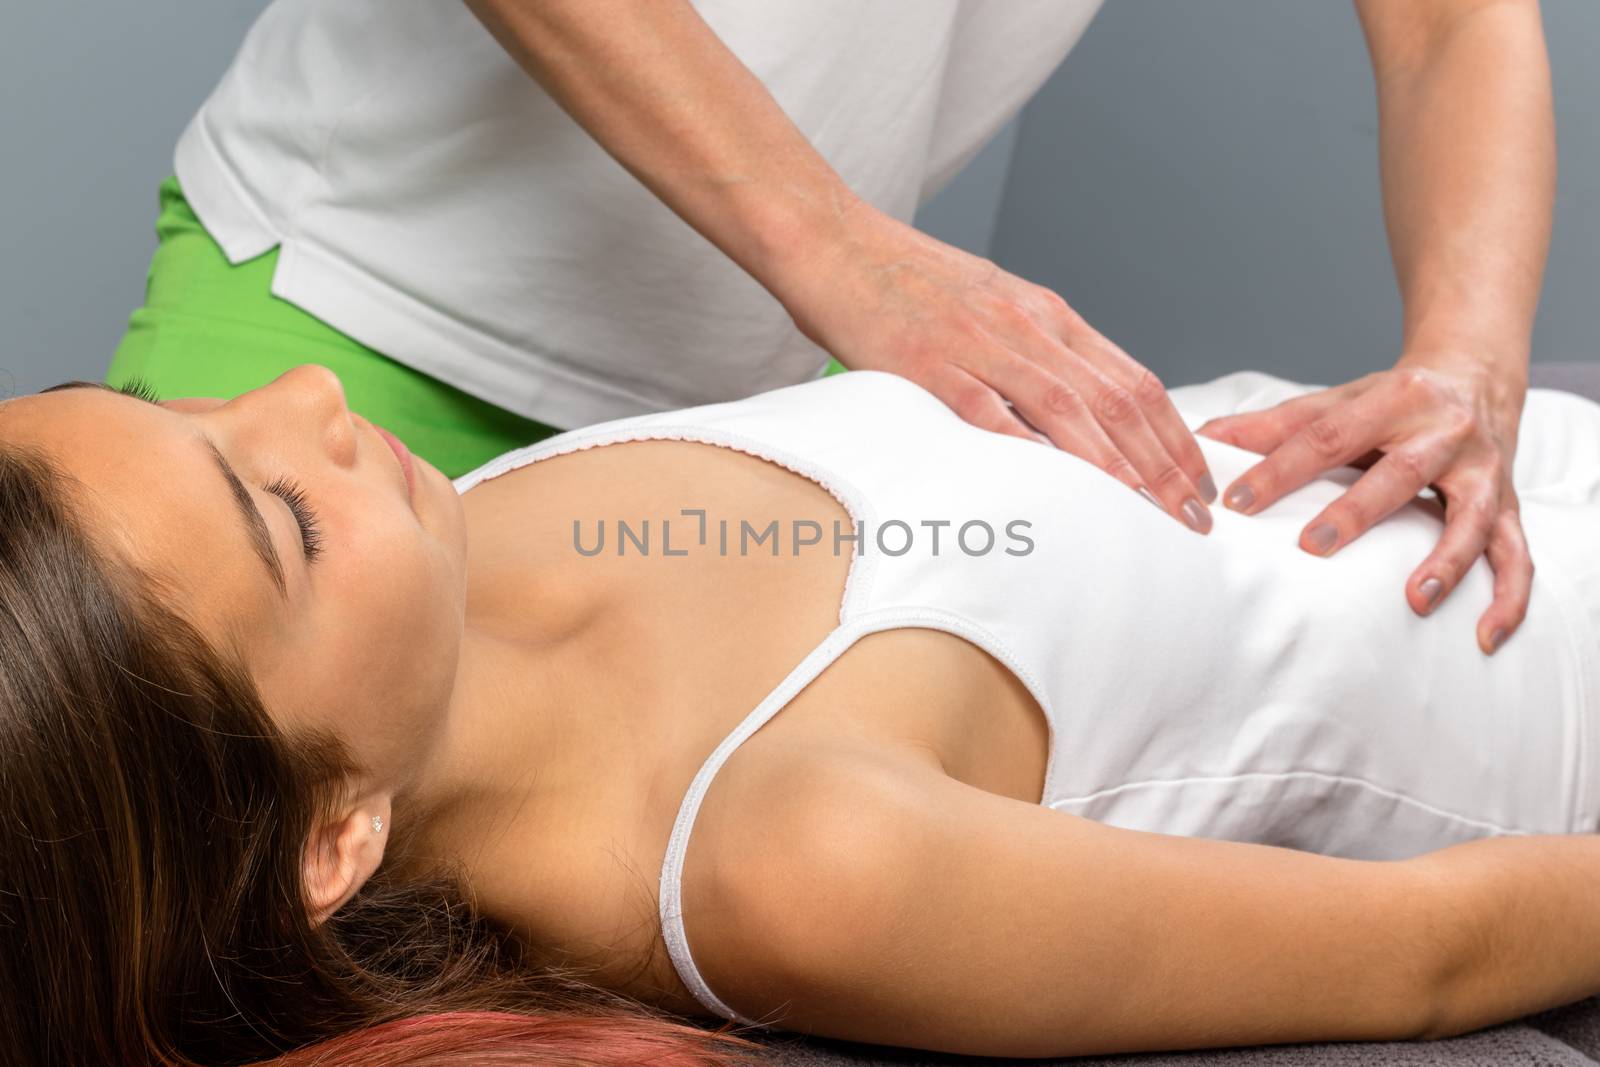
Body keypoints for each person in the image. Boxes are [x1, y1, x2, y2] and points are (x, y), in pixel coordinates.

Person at [4, 360, 1600, 1063]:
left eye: (182, 408)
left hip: (1482, 470)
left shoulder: (453, 547)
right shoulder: (794, 864)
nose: (311, 401)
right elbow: (1431, 953)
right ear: (326, 837)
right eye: (279, 516)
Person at [107, 0, 1554, 660]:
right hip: (348, 313)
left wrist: (1471, 364)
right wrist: (840, 250)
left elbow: (1451, 23)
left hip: (748, 412)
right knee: (166, 926)